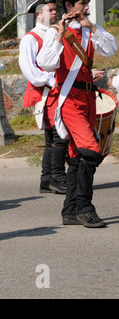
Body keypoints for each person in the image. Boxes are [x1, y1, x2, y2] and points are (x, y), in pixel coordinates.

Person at [36, 0, 118, 227]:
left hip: (88, 100)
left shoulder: (88, 29)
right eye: (83, 3)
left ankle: (70, 211)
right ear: (69, 4)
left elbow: (111, 48)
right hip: (69, 101)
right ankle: (84, 207)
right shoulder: (56, 31)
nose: (87, 7)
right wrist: (59, 34)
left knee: (76, 156)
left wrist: (91, 26)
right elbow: (45, 63)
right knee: (91, 152)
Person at [19, 0, 68, 195]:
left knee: (52, 137)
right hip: (47, 92)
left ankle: (47, 179)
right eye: (50, 10)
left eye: (56, 9)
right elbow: (30, 71)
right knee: (58, 134)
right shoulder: (30, 38)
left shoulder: (57, 32)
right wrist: (53, 80)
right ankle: (57, 176)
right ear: (39, 14)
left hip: (58, 90)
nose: (55, 13)